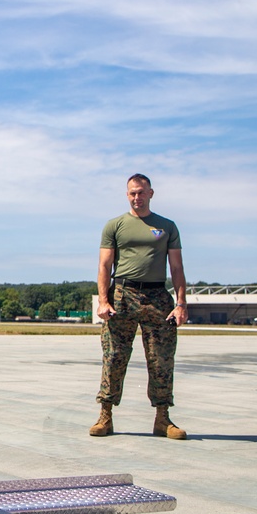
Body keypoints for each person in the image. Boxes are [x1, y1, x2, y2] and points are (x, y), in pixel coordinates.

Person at [91, 173, 188, 440]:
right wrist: (103, 301)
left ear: (151, 194)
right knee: (114, 357)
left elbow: (177, 268)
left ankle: (162, 418)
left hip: (157, 297)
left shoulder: (167, 226)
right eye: (132, 193)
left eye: (141, 192)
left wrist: (180, 303)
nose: (137, 197)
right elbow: (104, 266)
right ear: (127, 195)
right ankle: (105, 416)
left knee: (161, 359)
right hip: (123, 295)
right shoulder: (115, 225)